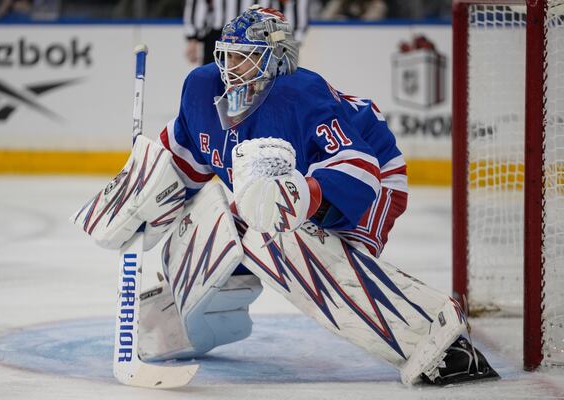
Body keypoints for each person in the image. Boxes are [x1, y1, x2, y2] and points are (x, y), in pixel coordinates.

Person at [157, 5, 499, 385]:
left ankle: (444, 345)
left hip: (373, 180)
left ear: (277, 60)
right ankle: (183, 316)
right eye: (228, 55)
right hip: (306, 186)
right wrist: (138, 203)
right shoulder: (204, 90)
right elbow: (177, 164)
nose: (231, 68)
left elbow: (360, 168)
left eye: (245, 58)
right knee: (227, 223)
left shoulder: (300, 94)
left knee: (315, 257)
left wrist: (306, 194)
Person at [183, 0, 310, 65]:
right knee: (216, 90)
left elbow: (294, 5)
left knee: (268, 90)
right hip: (221, 35)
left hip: (265, 36)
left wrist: (290, 40)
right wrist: (192, 37)